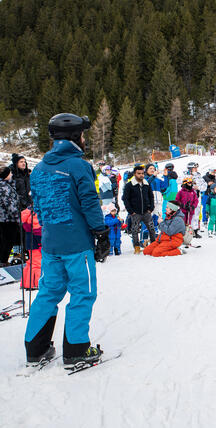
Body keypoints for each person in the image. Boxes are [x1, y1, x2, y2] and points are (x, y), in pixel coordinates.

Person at [24, 113, 110, 369]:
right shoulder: (79, 165)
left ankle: (35, 348)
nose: (84, 139)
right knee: (82, 294)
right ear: (75, 137)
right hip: (76, 244)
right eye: (82, 135)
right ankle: (76, 350)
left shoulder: (39, 168)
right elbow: (90, 202)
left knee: (48, 293)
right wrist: (101, 232)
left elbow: (38, 205)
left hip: (50, 243)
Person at [122, 165, 156, 254]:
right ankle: (136, 246)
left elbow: (151, 196)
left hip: (146, 212)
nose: (141, 175)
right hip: (135, 212)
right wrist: (131, 211)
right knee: (135, 230)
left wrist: (151, 208)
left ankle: (153, 245)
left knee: (152, 229)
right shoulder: (129, 185)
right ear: (134, 174)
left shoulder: (146, 184)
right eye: (139, 173)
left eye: (142, 173)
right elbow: (125, 198)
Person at [0, 166, 21, 265]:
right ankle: (3, 261)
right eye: (10, 173)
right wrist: (18, 217)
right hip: (8, 219)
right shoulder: (4, 187)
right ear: (5, 175)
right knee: (8, 241)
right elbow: (9, 205)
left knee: (7, 240)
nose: (11, 174)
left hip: (5, 219)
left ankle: (3, 260)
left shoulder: (5, 185)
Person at [20, 206, 42, 290]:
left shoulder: (27, 211)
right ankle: (35, 283)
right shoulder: (37, 212)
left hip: (29, 240)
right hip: (37, 240)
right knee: (37, 263)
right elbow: (38, 229)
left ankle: (25, 282)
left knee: (31, 262)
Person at [185, 162, 206, 238]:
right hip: (187, 197)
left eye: (196, 168)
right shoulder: (185, 175)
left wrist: (199, 188)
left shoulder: (199, 176)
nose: (196, 169)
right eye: (194, 168)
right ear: (190, 169)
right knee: (187, 214)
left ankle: (195, 230)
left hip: (196, 197)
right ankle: (186, 231)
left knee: (196, 214)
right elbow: (180, 184)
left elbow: (205, 186)